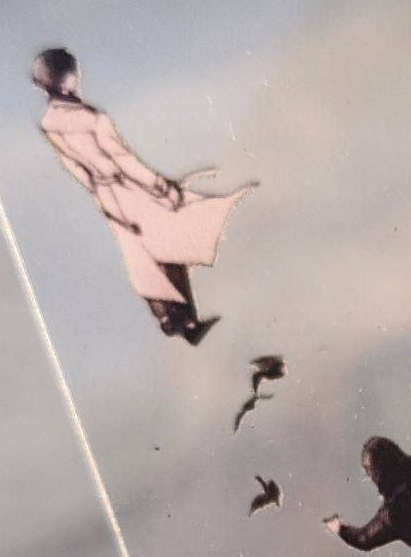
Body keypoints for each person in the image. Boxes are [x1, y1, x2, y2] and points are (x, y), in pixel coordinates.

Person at [30, 48, 252, 345]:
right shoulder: (92, 118)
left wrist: (102, 195)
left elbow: (76, 168)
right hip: (130, 189)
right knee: (169, 245)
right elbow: (123, 159)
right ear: (68, 78)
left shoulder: (49, 122)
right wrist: (160, 185)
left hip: (107, 194)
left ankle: (172, 318)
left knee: (141, 256)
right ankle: (184, 321)